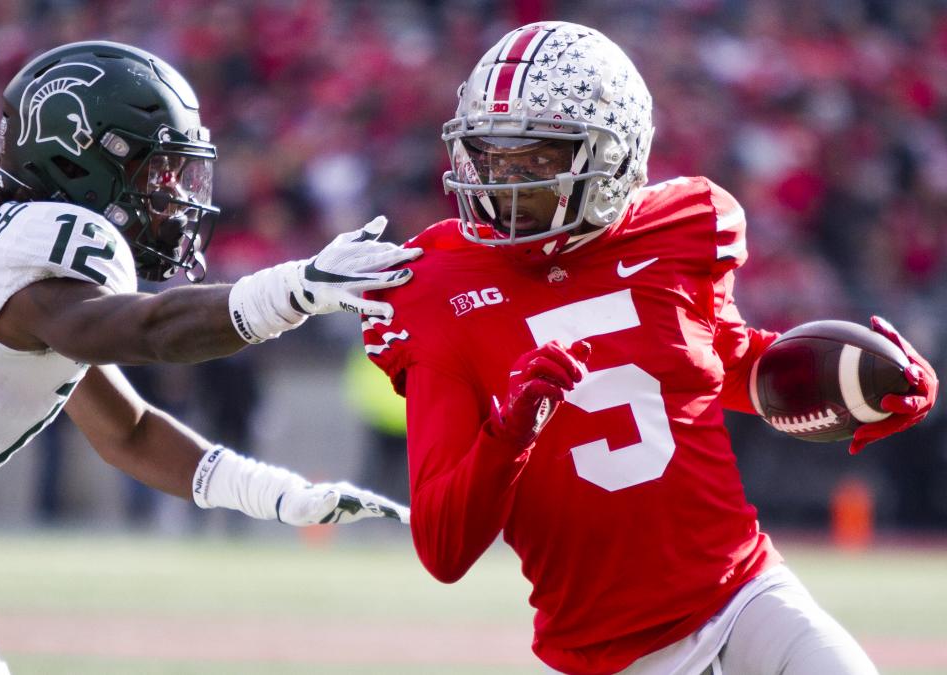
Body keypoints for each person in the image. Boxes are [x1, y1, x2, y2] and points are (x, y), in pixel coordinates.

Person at [0, 41, 419, 674]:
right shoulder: (44, 270)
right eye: (158, 169)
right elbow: (147, 329)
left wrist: (284, 496)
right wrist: (292, 290)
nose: (176, 194)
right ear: (82, 158)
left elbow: (128, 431)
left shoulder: (28, 267)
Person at [361, 21, 937, 675]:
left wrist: (866, 385)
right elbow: (444, 545)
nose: (504, 183)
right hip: (606, 656)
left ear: (613, 156)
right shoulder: (433, 285)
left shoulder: (684, 227)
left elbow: (711, 363)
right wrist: (510, 429)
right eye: (491, 155)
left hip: (745, 592)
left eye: (536, 159)